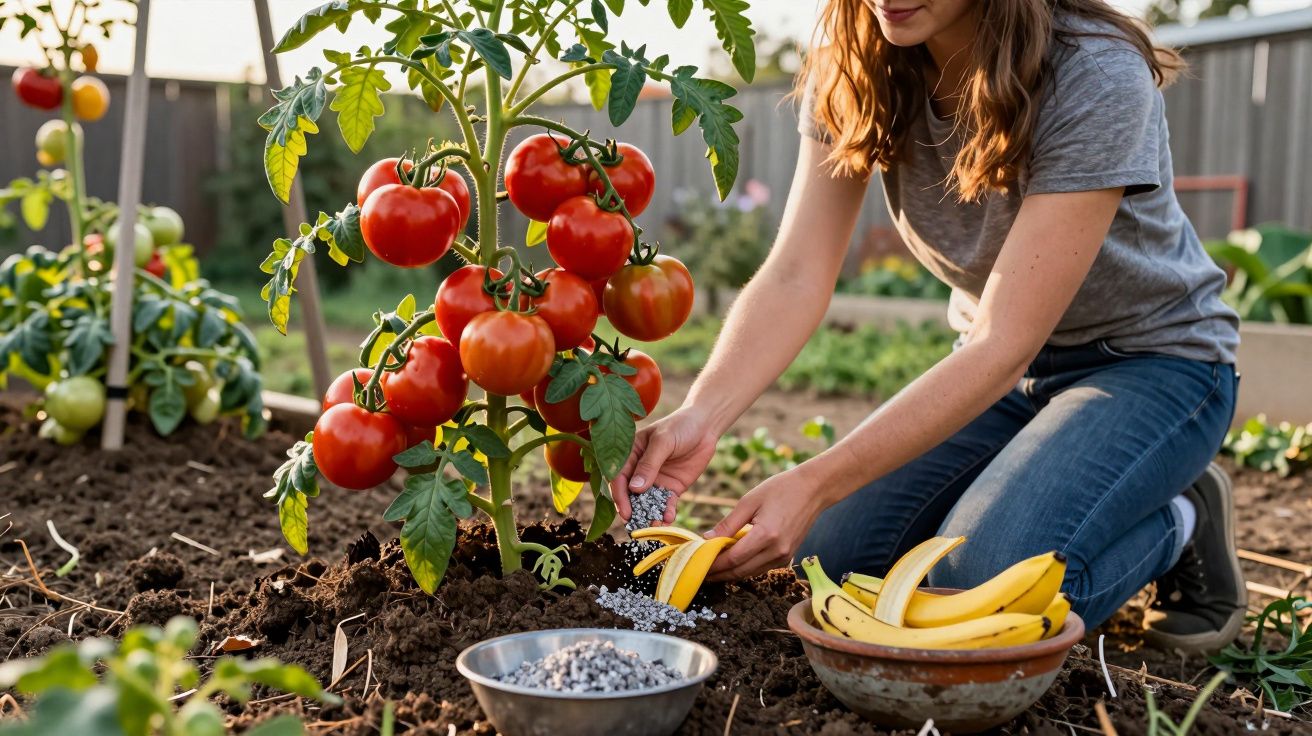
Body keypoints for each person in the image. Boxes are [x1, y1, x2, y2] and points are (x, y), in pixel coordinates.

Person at [613, 0, 1245, 651]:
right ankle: (1063, 471)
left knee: (975, 598)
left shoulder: (1092, 71)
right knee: (832, 566)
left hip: (1149, 365)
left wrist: (816, 480)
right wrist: (703, 414)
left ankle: (1179, 515)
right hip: (998, 374)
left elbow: (1005, 342)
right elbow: (797, 273)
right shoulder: (856, 60)